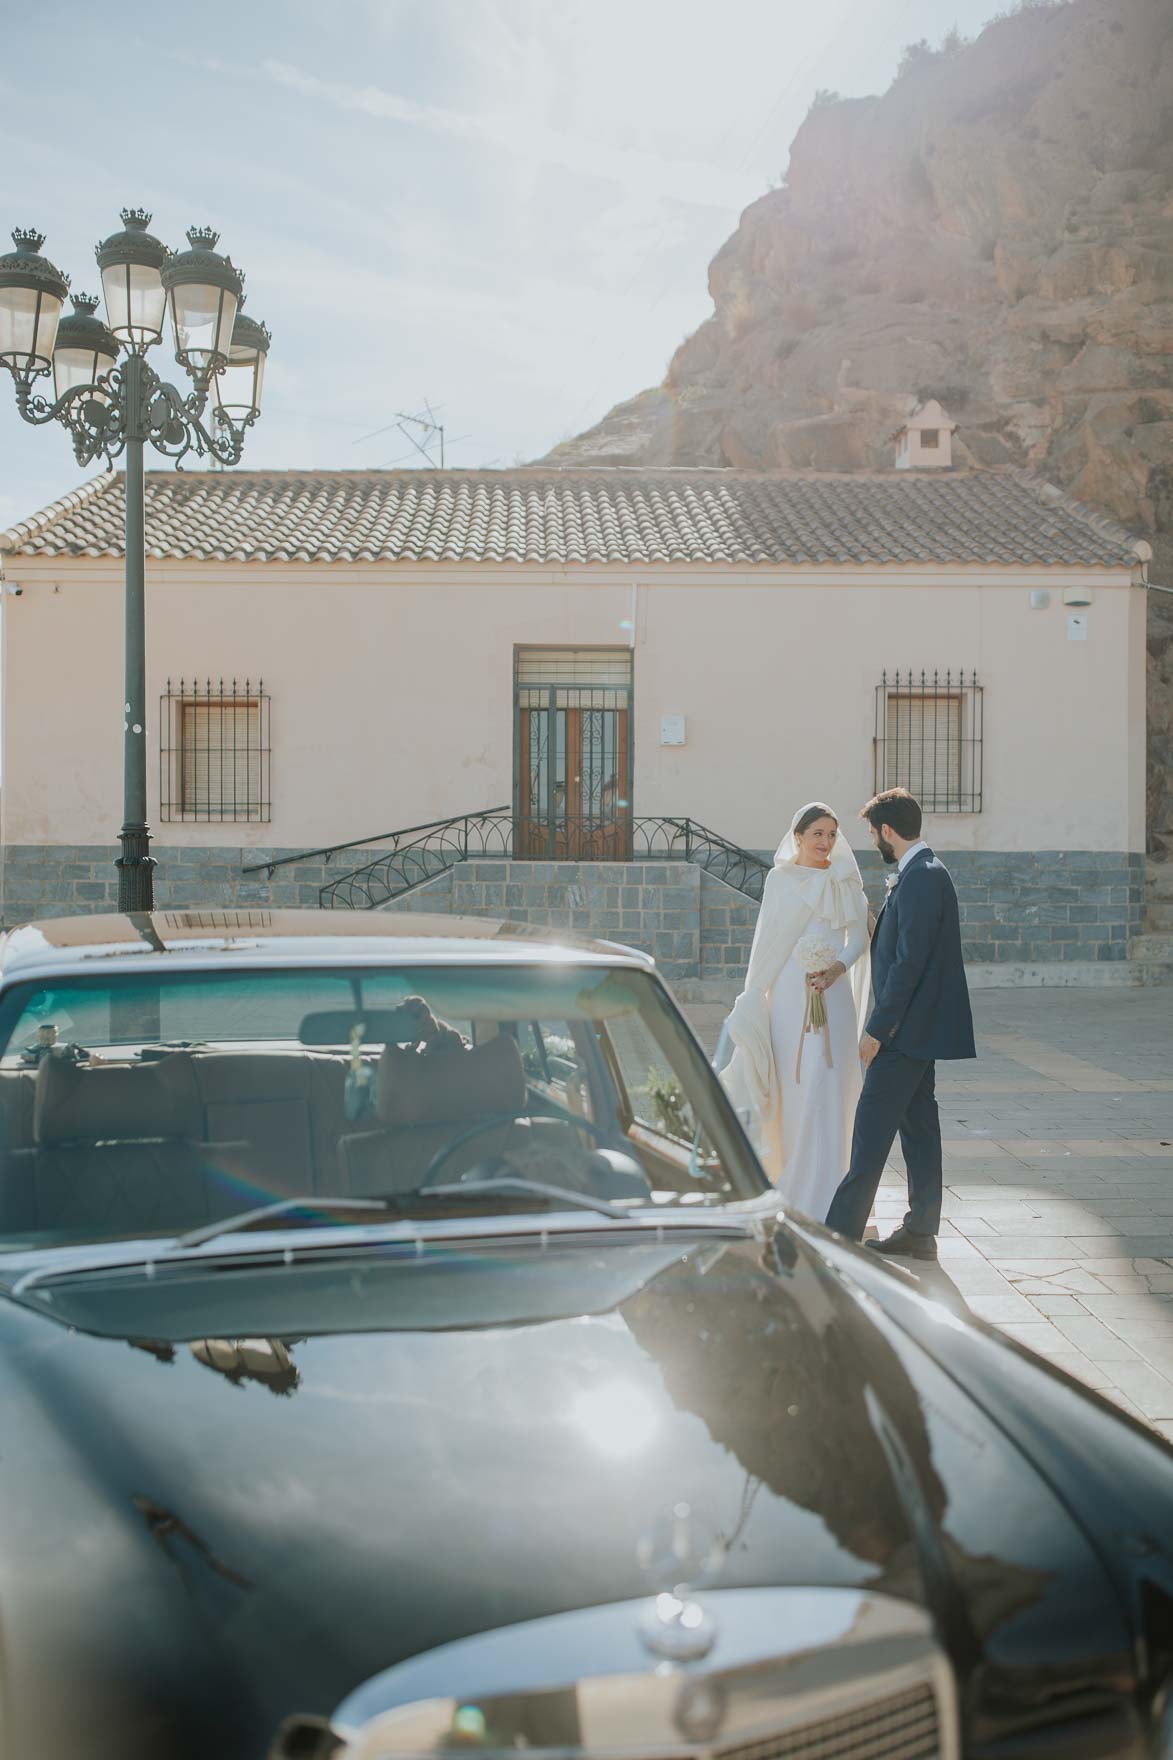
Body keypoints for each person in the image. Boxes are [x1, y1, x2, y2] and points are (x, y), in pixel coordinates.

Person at [825, 788, 975, 1260]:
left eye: (873, 832)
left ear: (887, 830)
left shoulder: (923, 877)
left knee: (869, 1134)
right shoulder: (919, 874)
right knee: (919, 1130)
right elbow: (909, 947)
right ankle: (920, 1232)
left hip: (903, 1034)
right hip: (915, 1031)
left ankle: (838, 1238)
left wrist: (876, 1030)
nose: (873, 841)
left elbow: (910, 964)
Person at [721, 804, 870, 1215]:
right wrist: (757, 995)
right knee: (798, 1086)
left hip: (834, 994)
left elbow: (858, 937)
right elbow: (768, 943)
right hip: (789, 996)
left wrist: (835, 968)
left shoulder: (843, 881)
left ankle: (834, 1193)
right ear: (799, 836)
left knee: (831, 1084)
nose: (825, 842)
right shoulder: (780, 880)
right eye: (818, 833)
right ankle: (794, 1185)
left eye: (832, 835)